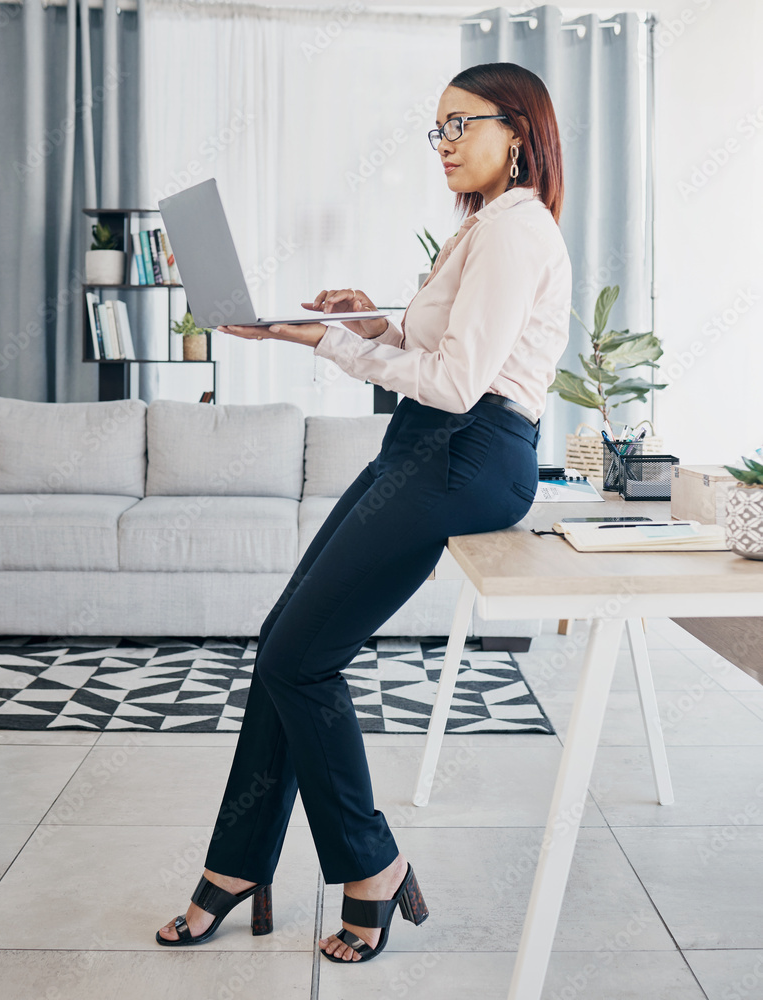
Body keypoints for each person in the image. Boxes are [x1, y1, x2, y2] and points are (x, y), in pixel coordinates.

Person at [156, 60, 572, 964]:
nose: (446, 145)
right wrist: (374, 322)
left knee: (301, 660)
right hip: (433, 445)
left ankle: (369, 866)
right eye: (439, 130)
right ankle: (238, 866)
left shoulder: (516, 231)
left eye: (462, 126)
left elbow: (465, 382)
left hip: (464, 449)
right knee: (286, 645)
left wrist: (331, 345)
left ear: (518, 132)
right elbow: (450, 343)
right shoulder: (486, 230)